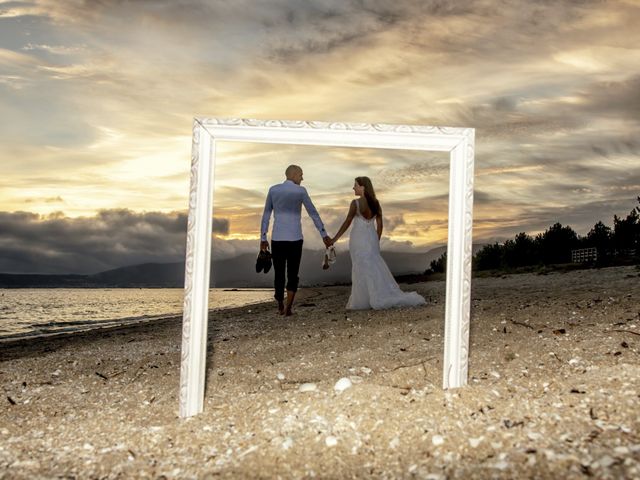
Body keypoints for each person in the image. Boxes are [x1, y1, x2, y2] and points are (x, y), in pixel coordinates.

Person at [330, 176, 426, 310]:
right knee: (373, 265)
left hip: (358, 238)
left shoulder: (355, 203)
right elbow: (380, 226)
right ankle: (376, 295)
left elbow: (347, 223)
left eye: (355, 185)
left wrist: (334, 239)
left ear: (362, 187)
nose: (354, 188)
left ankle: (363, 300)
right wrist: (376, 240)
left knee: (360, 266)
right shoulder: (376, 203)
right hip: (371, 238)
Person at [260, 165, 332, 316]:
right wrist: (323, 233)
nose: (302, 178)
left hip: (278, 239)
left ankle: (280, 304)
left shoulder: (273, 190)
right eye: (301, 175)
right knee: (293, 273)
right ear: (293, 174)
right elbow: (313, 213)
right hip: (295, 239)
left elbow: (266, 215)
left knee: (279, 273)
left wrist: (263, 237)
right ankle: (288, 308)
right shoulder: (301, 191)